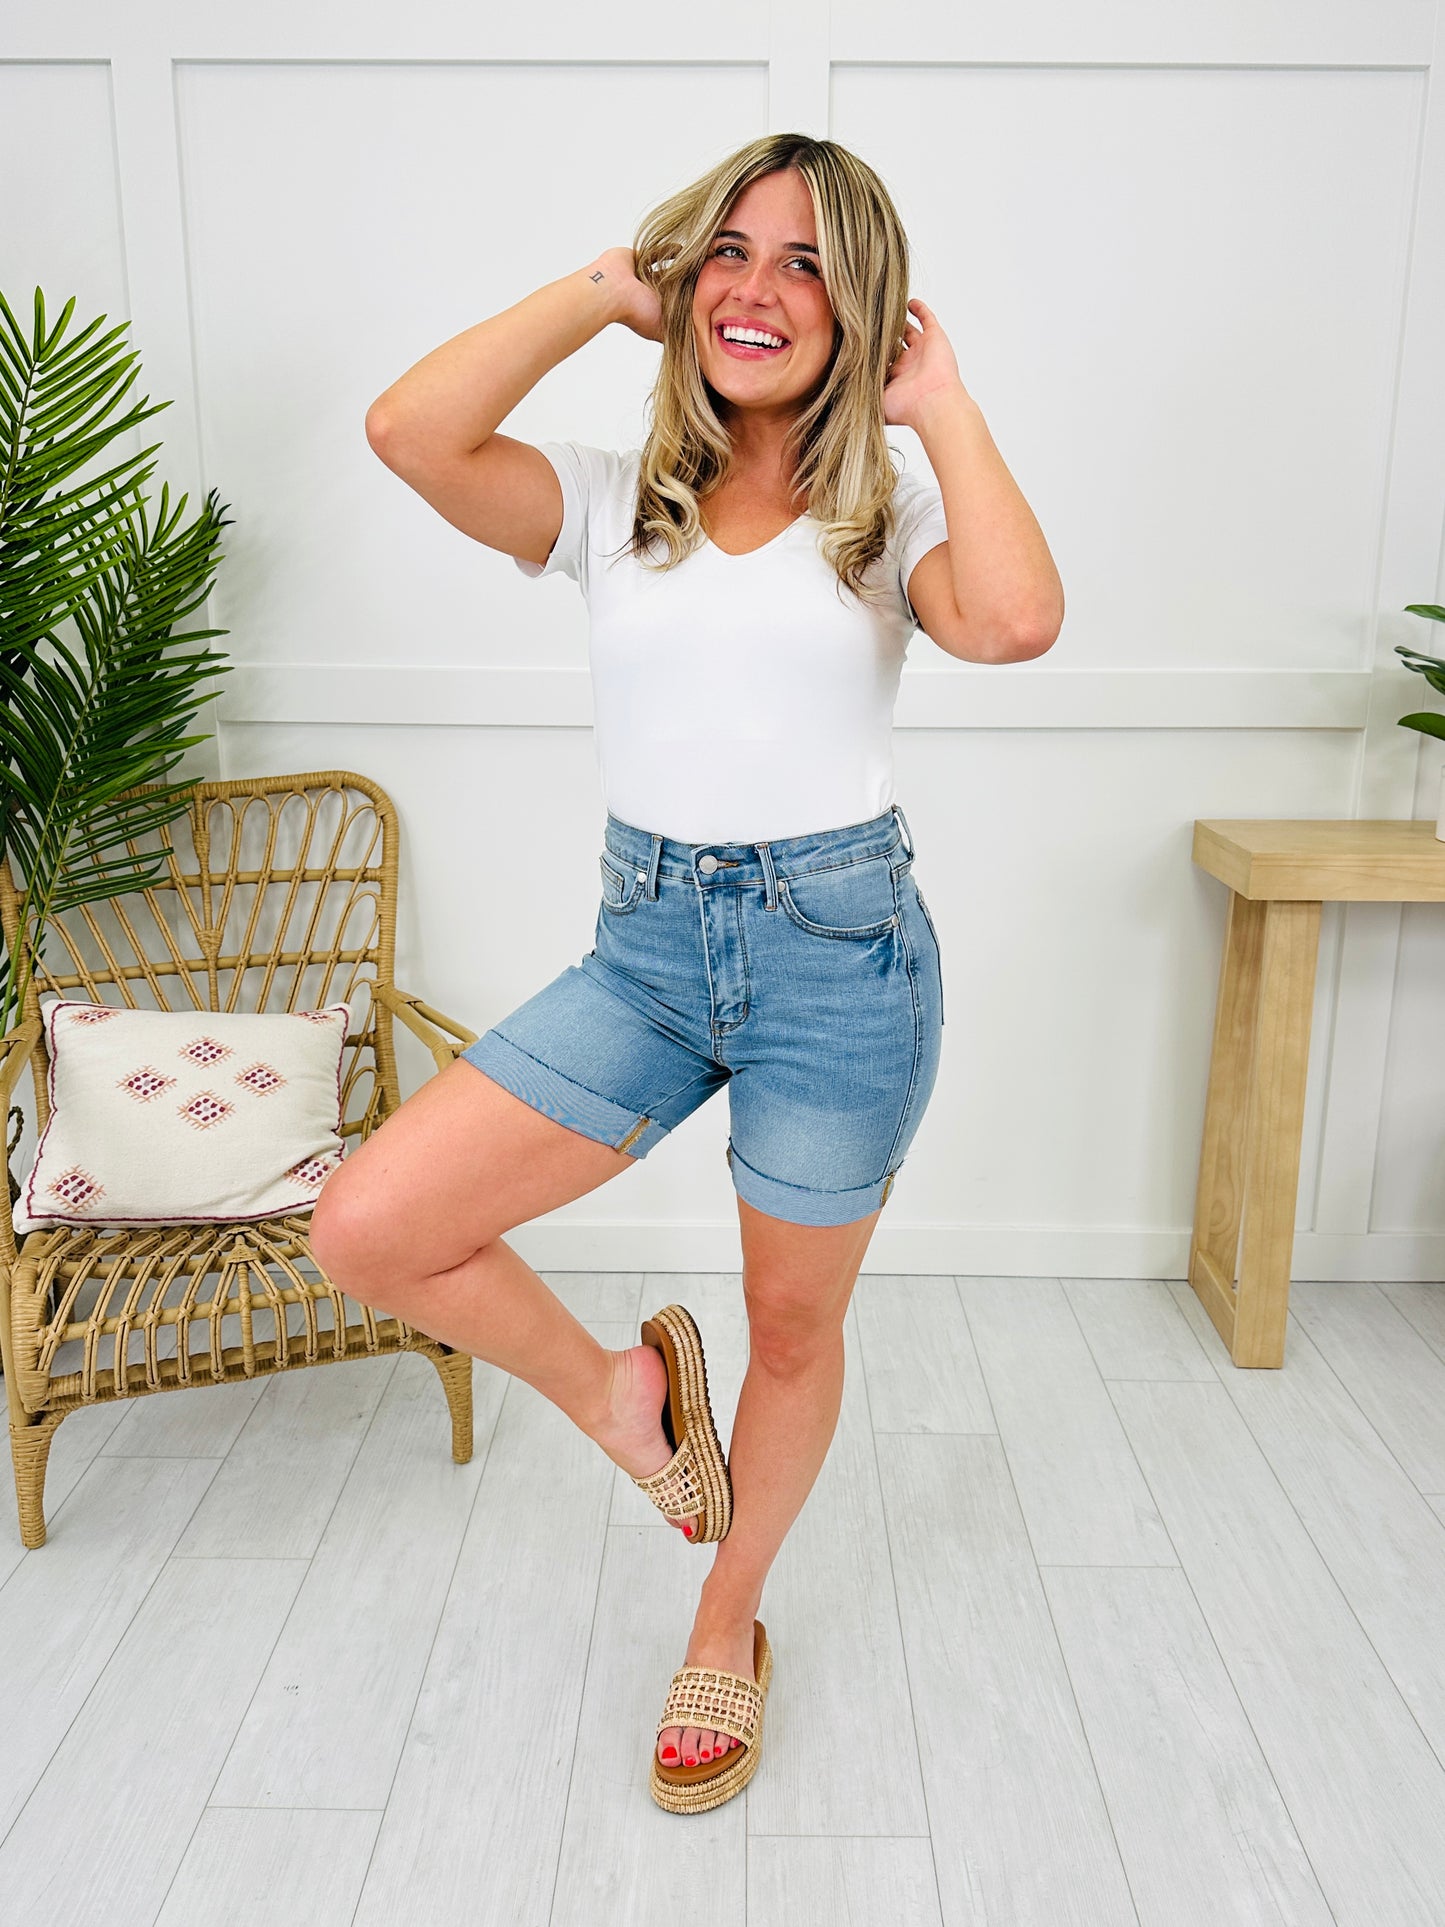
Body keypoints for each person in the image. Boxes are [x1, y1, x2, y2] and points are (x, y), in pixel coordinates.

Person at [309, 132, 1063, 1815]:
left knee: (791, 1329)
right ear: (683, 277)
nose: (757, 289)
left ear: (861, 308)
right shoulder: (608, 504)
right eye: (730, 252)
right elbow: (408, 431)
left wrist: (939, 404)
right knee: (369, 1227)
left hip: (839, 963)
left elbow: (1014, 622)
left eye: (807, 265)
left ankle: (727, 1619)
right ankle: (622, 1399)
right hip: (645, 953)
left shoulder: (887, 517)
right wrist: (602, 290)